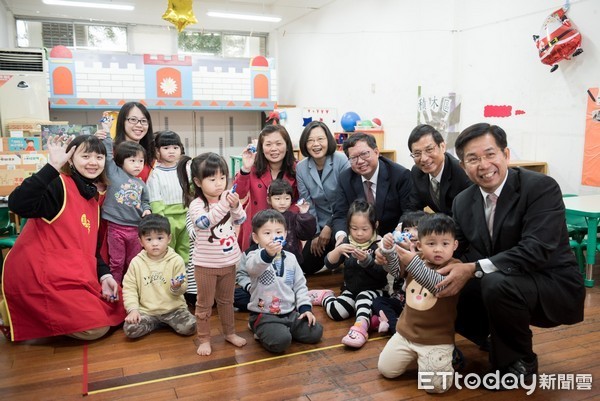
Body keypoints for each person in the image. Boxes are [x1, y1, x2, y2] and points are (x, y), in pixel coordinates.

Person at [436, 123, 585, 387]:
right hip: (503, 280)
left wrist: (471, 268)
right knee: (445, 282)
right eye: (473, 159)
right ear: (463, 166)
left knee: (492, 281)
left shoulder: (540, 187)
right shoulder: (462, 201)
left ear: (506, 154)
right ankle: (493, 338)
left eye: (490, 154)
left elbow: (536, 249)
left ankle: (521, 361)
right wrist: (420, 252)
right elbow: (458, 246)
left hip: (550, 280)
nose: (483, 164)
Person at [0, 135, 125, 341]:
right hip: (42, 275)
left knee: (119, 302)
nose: (93, 162)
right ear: (71, 159)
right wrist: (51, 167)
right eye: (85, 156)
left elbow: (91, 248)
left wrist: (105, 276)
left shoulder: (92, 196)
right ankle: (15, 311)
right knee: (96, 329)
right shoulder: (58, 184)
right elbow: (17, 204)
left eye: (99, 157)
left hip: (71, 272)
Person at [377, 213, 461, 393]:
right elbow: (394, 270)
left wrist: (412, 261)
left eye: (445, 244)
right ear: (420, 245)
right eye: (431, 244)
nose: (438, 249)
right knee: (386, 370)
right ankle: (420, 358)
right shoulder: (418, 259)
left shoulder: (456, 267)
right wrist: (389, 250)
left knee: (437, 387)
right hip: (406, 333)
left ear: (455, 245)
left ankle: (447, 356)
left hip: (436, 339)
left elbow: (436, 285)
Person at [179, 152, 247, 356]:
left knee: (227, 302)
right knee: (204, 304)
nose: (219, 183)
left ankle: (230, 333)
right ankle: (204, 338)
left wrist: (235, 206)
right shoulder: (197, 205)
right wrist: (225, 204)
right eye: (212, 179)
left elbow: (240, 221)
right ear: (198, 182)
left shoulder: (227, 199)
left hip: (228, 262)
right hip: (205, 265)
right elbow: (204, 223)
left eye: (222, 177)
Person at [309, 200, 388, 348]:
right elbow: (329, 263)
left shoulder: (379, 244)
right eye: (354, 228)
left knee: (363, 300)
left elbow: (381, 273)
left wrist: (367, 261)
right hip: (351, 289)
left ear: (375, 225)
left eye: (365, 229)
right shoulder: (347, 241)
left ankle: (360, 329)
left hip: (375, 290)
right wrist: (337, 250)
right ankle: (326, 297)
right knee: (336, 312)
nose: (359, 233)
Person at [246, 209, 323, 353]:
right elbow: (252, 269)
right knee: (281, 341)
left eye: (278, 232)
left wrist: (305, 309)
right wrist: (267, 254)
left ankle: (282, 330)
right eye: (267, 233)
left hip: (289, 312)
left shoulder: (291, 258)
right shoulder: (254, 256)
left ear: (285, 234)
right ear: (256, 238)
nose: (274, 237)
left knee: (316, 332)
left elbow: (300, 286)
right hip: (264, 314)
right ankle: (259, 327)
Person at [234, 179, 317, 311]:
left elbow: (306, 233)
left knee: (295, 290)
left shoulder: (294, 217)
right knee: (237, 296)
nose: (282, 202)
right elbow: (253, 253)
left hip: (287, 275)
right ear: (269, 199)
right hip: (264, 281)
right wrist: (250, 286)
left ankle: (303, 298)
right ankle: (282, 302)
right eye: (278, 198)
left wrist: (304, 214)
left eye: (286, 198)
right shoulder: (263, 218)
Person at [122, 214, 195, 338]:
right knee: (130, 330)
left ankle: (168, 321)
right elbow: (129, 288)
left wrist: (177, 287)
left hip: (174, 309)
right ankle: (156, 323)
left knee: (190, 326)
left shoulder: (176, 260)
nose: (155, 243)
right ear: (140, 241)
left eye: (160, 238)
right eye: (149, 239)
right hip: (147, 312)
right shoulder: (136, 262)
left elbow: (182, 289)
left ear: (169, 238)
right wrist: (133, 310)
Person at [331, 132, 412, 244]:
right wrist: (341, 237)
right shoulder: (345, 179)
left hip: (392, 238)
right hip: (359, 241)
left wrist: (397, 233)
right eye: (353, 158)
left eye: (364, 154)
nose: (360, 161)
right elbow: (340, 214)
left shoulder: (400, 175)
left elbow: (409, 211)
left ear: (376, 152)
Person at [296, 121, 350, 275]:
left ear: (328, 140)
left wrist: (329, 226)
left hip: (343, 221)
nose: (316, 144)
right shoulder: (301, 167)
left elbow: (345, 200)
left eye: (320, 139)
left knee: (341, 255)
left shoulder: (341, 160)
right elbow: (307, 203)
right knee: (305, 265)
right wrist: (315, 234)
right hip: (319, 225)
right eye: (310, 140)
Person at [234, 124, 298, 251]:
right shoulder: (253, 167)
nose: (274, 149)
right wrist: (245, 168)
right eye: (268, 144)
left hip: (284, 230)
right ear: (261, 148)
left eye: (279, 143)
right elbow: (238, 194)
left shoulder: (297, 169)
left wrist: (286, 212)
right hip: (256, 229)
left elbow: (299, 200)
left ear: (287, 146)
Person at [101, 133, 152, 284]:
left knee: (133, 262)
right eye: (132, 160)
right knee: (116, 262)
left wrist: (147, 209)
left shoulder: (142, 183)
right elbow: (108, 155)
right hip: (115, 227)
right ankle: (115, 288)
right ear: (121, 162)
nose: (138, 165)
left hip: (136, 228)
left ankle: (132, 289)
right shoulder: (114, 172)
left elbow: (145, 201)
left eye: (141, 161)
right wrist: (106, 135)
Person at [371, 210, 426, 334]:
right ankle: (395, 325)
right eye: (406, 230)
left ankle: (390, 323)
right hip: (402, 299)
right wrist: (388, 249)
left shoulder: (427, 253)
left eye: (416, 229)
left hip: (419, 303)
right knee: (378, 302)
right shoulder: (400, 250)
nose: (411, 234)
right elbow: (396, 272)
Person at [405, 124, 472, 215]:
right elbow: (413, 207)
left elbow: (468, 214)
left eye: (429, 149)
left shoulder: (462, 172)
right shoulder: (417, 172)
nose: (424, 158)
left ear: (442, 147)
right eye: (417, 153)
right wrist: (403, 226)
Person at [147, 130, 189, 262]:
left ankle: (186, 277)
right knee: (167, 250)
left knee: (186, 248)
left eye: (175, 147)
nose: (171, 151)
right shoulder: (155, 173)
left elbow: (192, 190)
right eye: (166, 148)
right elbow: (155, 199)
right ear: (158, 151)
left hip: (186, 215)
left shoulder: (186, 168)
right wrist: (161, 220)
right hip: (168, 218)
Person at [112, 101, 155, 182]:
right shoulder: (110, 153)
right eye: (133, 119)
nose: (139, 125)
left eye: (144, 121)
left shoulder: (151, 157)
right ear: (122, 122)